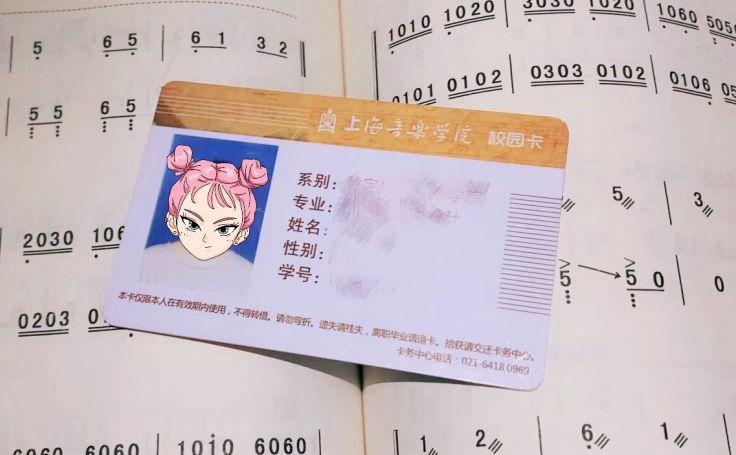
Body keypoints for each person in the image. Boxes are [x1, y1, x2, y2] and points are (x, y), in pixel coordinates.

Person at [140, 144, 268, 295]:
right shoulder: (147, 261)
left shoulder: (246, 275)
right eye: (192, 224)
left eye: (223, 229)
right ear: (173, 221)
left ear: (241, 233)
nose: (206, 239)